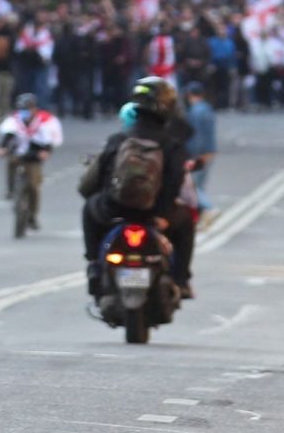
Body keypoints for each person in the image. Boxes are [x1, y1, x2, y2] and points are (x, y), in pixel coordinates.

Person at [79, 76, 196, 297]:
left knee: (88, 209)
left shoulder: (118, 140)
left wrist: (99, 198)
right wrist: (162, 214)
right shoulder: (171, 145)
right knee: (186, 223)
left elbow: (91, 185)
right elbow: (173, 181)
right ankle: (182, 280)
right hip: (155, 214)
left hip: (115, 210)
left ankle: (94, 265)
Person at [0, 91, 63, 229]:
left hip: (34, 156)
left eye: (28, 108)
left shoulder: (43, 122)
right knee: (11, 162)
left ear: (34, 109)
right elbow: (7, 136)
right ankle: (10, 189)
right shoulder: (14, 121)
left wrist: (45, 152)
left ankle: (32, 215)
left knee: (33, 186)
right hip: (18, 153)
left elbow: (48, 142)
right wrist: (2, 148)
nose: (25, 112)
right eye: (22, 109)